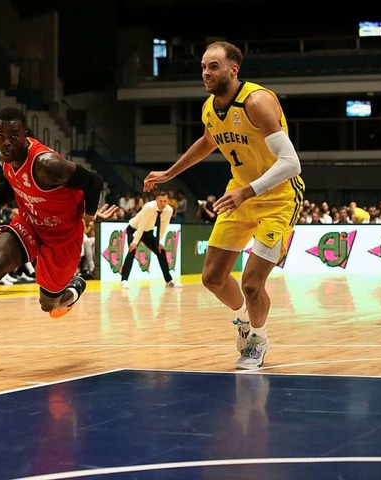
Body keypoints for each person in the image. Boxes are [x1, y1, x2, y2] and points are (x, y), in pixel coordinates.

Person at [143, 41, 304, 370]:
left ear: (234, 69)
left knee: (251, 283)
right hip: (240, 193)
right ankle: (244, 320)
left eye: (213, 66)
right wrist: (169, 173)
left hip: (279, 198)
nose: (206, 72)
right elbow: (207, 141)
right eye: (203, 66)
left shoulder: (256, 102)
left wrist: (248, 191)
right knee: (213, 278)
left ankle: (257, 340)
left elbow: (291, 163)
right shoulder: (210, 108)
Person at [0, 107, 117, 375]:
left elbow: (94, 181)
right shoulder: (5, 159)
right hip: (29, 222)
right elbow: (13, 186)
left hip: (62, 236)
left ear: (25, 135)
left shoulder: (47, 164)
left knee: (49, 305)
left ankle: (73, 289)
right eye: (1, 136)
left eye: (13, 136)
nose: (6, 142)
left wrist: (89, 215)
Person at [120, 191, 182, 289]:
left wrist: (158, 242)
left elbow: (163, 226)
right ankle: (124, 280)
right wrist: (135, 242)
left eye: (165, 201)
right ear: (156, 200)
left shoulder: (169, 210)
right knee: (131, 251)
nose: (163, 204)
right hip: (134, 229)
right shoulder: (149, 207)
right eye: (160, 201)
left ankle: (169, 280)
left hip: (148, 231)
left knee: (161, 252)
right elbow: (142, 224)